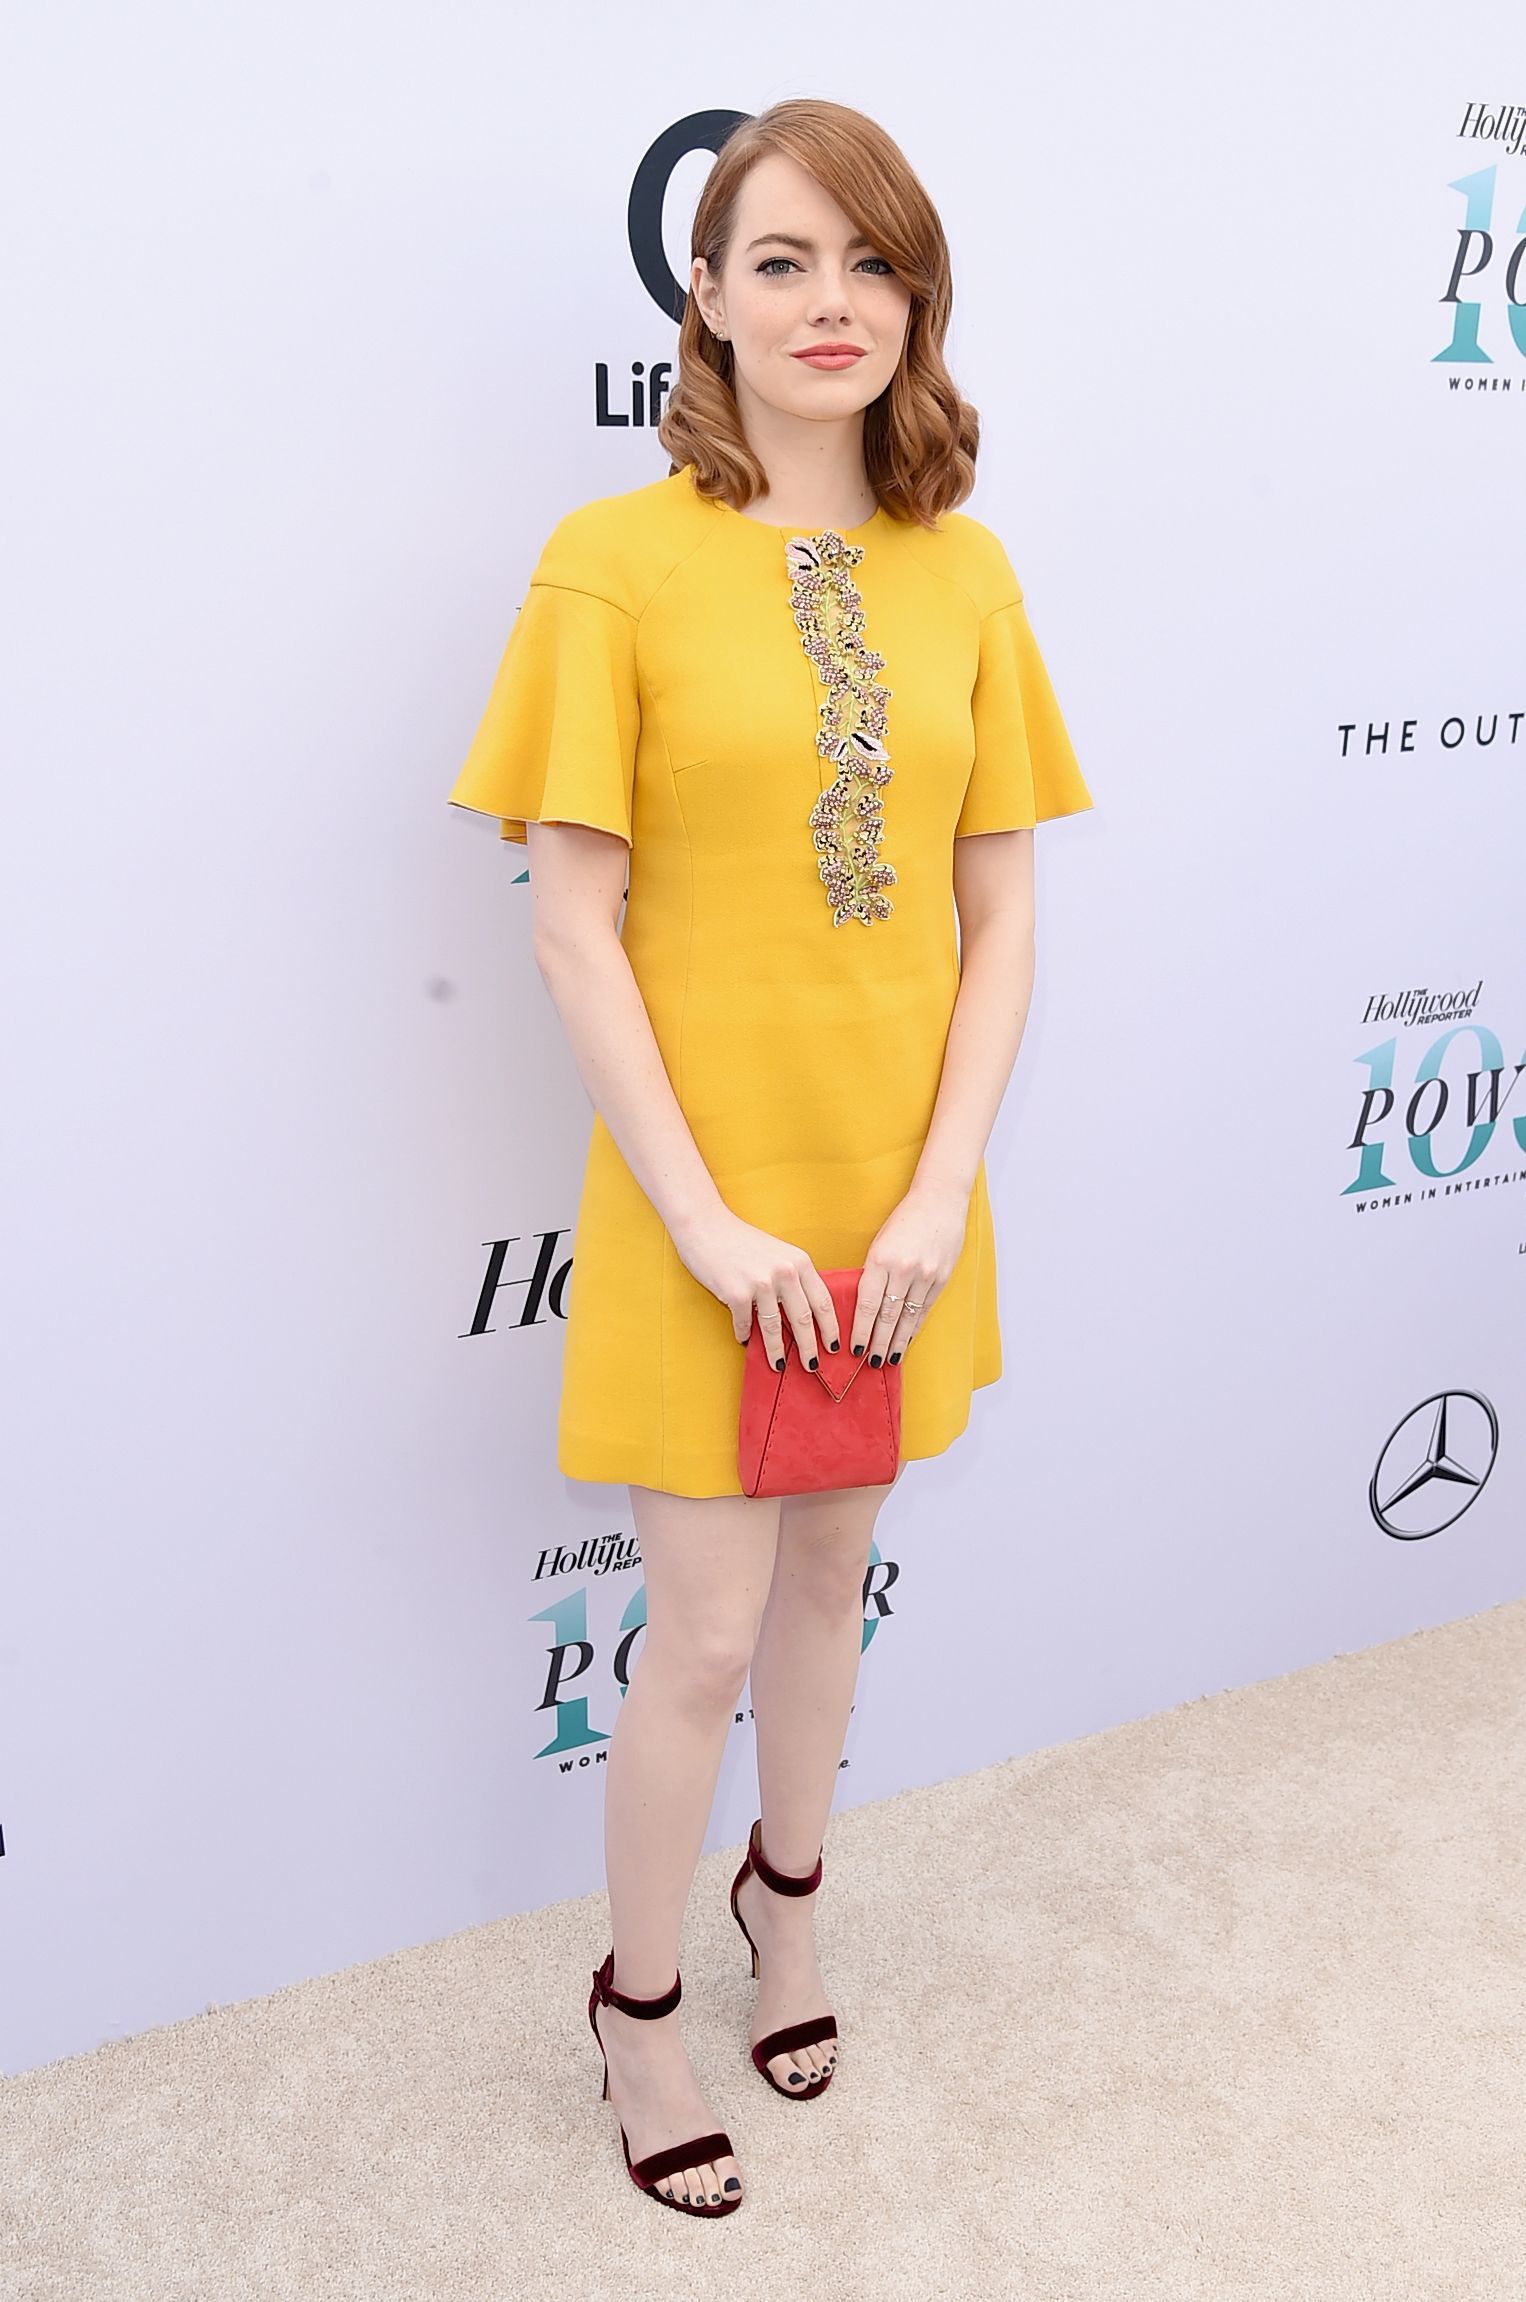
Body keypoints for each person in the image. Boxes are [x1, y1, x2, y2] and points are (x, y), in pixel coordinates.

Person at [447, 97, 1093, 2218]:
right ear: (705, 297)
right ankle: (636, 2003)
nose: (833, 303)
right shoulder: (610, 560)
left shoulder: (964, 568)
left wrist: (938, 1187)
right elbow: (570, 923)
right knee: (704, 1632)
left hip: (897, 1192)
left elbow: (1000, 911)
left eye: (873, 263)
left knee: (835, 1577)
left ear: (919, 302)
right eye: (784, 260)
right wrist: (706, 1221)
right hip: (691, 1198)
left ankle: (786, 1907)